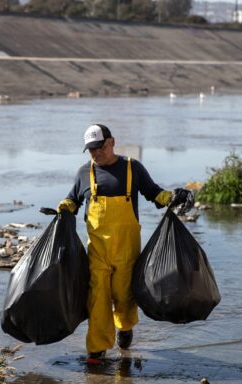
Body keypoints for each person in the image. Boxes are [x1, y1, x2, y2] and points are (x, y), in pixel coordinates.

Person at [57, 124, 191, 365]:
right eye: (90, 150)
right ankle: (96, 350)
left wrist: (174, 196)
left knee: (124, 295)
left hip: (127, 251)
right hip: (97, 251)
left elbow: (154, 194)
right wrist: (63, 207)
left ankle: (125, 328)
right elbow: (72, 200)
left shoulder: (132, 168)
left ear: (111, 142)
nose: (95, 154)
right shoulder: (84, 173)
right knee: (98, 297)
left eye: (99, 147)